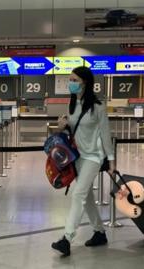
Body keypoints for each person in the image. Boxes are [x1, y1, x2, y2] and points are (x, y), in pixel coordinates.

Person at [51, 66, 116, 257]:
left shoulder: (98, 107)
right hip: (77, 156)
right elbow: (75, 129)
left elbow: (105, 135)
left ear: (85, 83)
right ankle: (99, 232)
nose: (70, 83)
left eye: (74, 80)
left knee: (78, 195)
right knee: (86, 196)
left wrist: (111, 161)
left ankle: (66, 238)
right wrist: (64, 124)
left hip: (93, 157)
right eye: (69, 80)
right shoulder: (73, 105)